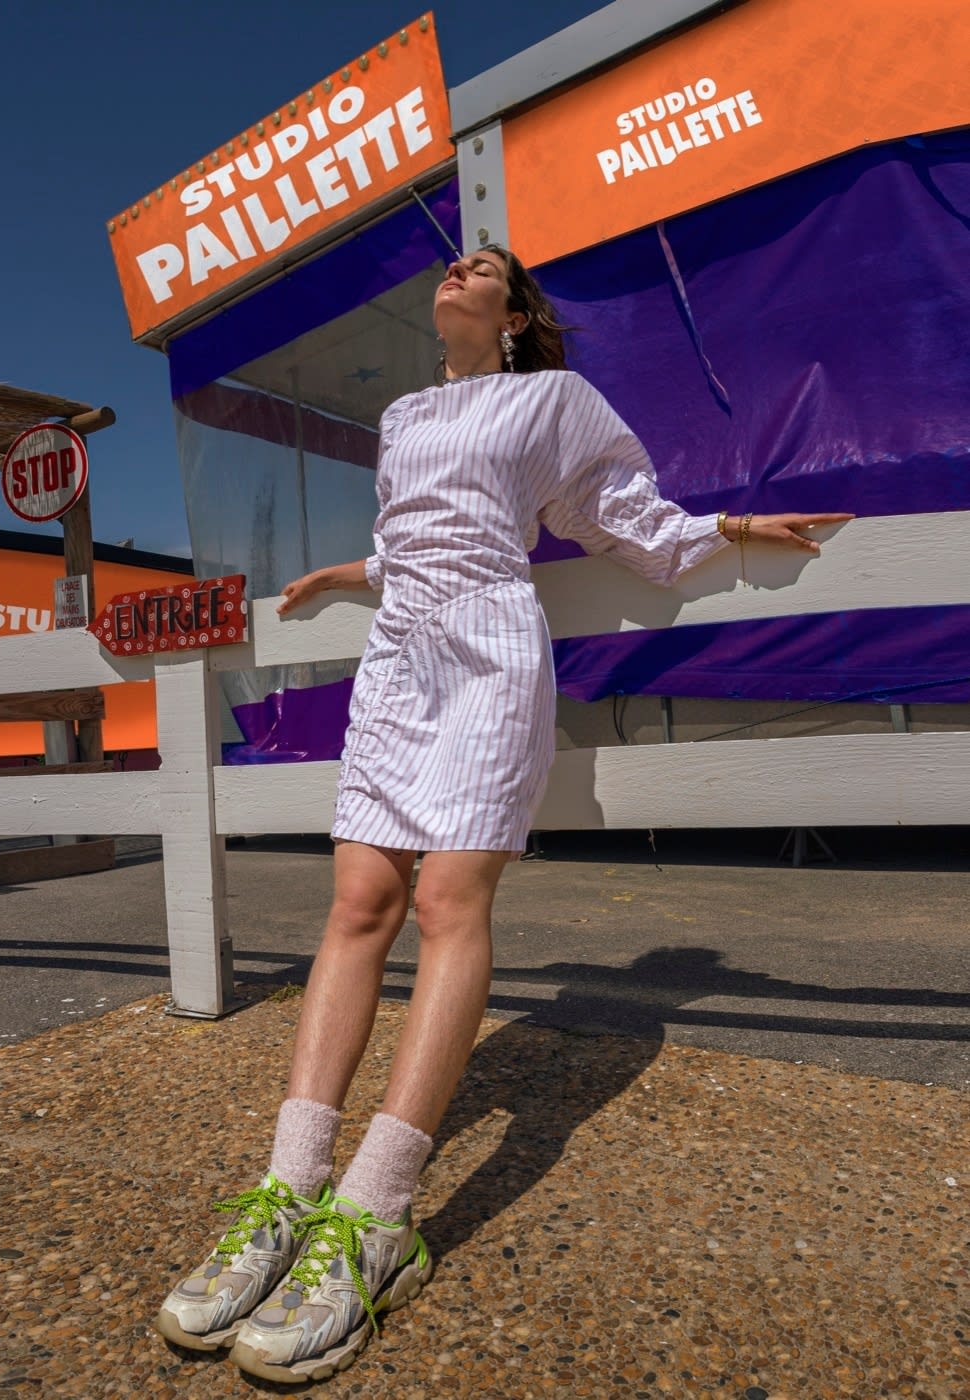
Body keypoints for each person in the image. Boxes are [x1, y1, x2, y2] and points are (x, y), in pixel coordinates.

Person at [155, 245, 853, 1383]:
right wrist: (345, 573)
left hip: (487, 650)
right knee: (358, 899)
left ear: (515, 312)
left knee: (444, 897)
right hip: (398, 658)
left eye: (481, 267)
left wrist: (725, 528)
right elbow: (411, 534)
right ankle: (288, 1190)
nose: (455, 269)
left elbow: (611, 508)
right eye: (452, 262)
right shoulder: (405, 411)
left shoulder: (553, 397)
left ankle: (379, 1215)